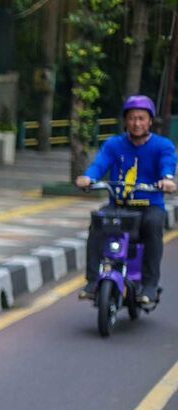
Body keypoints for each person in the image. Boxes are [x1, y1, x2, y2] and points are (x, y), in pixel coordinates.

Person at [75, 95, 177, 306]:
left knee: (154, 224)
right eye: (131, 118)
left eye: (141, 118)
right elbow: (100, 164)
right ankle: (92, 281)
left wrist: (167, 180)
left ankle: (149, 285)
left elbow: (168, 164)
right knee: (97, 223)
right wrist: (89, 178)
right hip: (119, 206)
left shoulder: (162, 145)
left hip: (149, 207)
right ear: (125, 121)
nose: (136, 123)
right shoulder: (114, 144)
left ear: (150, 121)